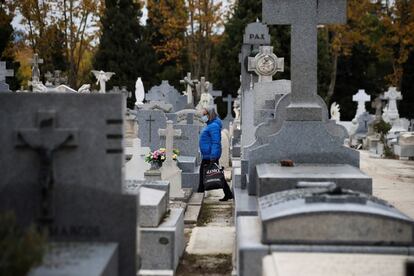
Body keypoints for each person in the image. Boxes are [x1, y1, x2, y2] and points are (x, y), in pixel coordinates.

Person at [198, 106, 233, 201]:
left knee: (205, 175)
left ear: (210, 114)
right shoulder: (210, 125)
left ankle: (199, 195)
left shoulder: (213, 126)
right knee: (217, 174)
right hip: (207, 155)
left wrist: (213, 156)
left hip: (210, 156)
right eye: (202, 114)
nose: (203, 116)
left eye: (205, 114)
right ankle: (228, 193)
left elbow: (216, 142)